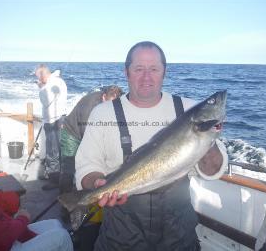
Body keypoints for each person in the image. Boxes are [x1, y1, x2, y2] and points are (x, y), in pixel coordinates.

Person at [75, 41, 228, 250]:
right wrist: (98, 185)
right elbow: (86, 166)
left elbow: (213, 171)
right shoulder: (103, 113)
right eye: (139, 69)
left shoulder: (188, 108)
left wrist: (205, 136)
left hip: (178, 236)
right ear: (126, 72)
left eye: (154, 69)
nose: (146, 77)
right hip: (121, 237)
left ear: (164, 72)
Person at [0, 153, 73, 251]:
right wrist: (22, 218)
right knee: (62, 237)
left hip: (7, 236)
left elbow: (1, 222)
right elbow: (2, 239)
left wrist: (20, 225)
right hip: (4, 245)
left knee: (54, 223)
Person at [60, 85, 124, 193]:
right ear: (104, 97)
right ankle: (65, 199)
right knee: (69, 167)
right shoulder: (91, 107)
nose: (111, 108)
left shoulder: (112, 104)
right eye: (109, 105)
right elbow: (88, 137)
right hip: (72, 133)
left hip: (84, 131)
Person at [35, 64, 68, 190]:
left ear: (43, 74)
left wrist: (41, 88)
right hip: (54, 119)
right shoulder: (57, 81)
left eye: (38, 76)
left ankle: (54, 180)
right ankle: (54, 175)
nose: (38, 79)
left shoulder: (53, 83)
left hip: (56, 120)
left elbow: (46, 100)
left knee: (54, 151)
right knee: (54, 150)